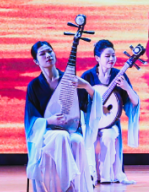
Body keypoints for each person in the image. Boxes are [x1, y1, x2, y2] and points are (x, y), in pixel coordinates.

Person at [24, 41, 102, 192]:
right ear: (36, 61)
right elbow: (31, 120)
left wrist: (86, 86)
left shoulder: (68, 81)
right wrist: (49, 121)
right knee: (61, 136)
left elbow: (87, 106)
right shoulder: (34, 86)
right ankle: (68, 187)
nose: (48, 55)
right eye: (42, 54)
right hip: (46, 133)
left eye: (49, 51)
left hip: (71, 130)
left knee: (77, 140)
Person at [80, 39, 140, 185]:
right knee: (88, 135)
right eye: (107, 56)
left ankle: (106, 177)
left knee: (109, 134)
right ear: (97, 58)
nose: (111, 59)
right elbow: (79, 102)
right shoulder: (87, 77)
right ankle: (90, 175)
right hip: (90, 122)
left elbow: (135, 102)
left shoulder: (119, 76)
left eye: (113, 55)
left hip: (110, 123)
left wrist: (127, 88)